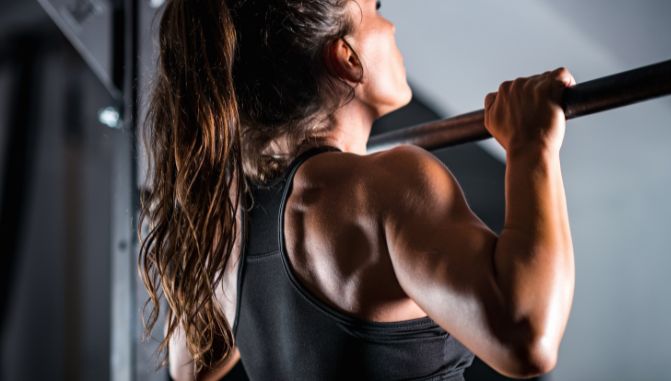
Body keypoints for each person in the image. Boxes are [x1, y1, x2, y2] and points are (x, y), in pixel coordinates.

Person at [138, 0, 576, 380]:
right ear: (347, 57)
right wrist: (530, 144)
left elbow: (191, 366)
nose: (392, 26)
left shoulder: (238, 224)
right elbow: (528, 337)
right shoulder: (389, 184)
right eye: (376, 10)